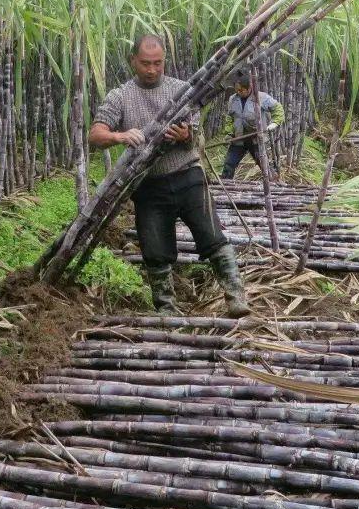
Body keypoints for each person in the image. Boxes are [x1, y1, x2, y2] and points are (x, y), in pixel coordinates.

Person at [89, 34, 251, 318]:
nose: (151, 70)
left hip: (188, 176)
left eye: (158, 63)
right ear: (132, 62)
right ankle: (167, 309)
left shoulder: (182, 91)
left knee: (212, 236)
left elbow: (197, 135)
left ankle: (236, 296)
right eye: (145, 63)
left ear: (165, 61)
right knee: (155, 250)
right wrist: (119, 135)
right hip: (148, 185)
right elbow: (95, 134)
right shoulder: (121, 96)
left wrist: (186, 135)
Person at [220, 73, 284, 180]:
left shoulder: (261, 97)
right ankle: (225, 187)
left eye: (241, 90)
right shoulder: (233, 99)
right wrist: (229, 133)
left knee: (265, 167)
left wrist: (274, 123)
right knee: (229, 165)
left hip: (256, 139)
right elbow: (230, 118)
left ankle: (273, 186)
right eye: (237, 90)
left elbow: (278, 109)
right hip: (239, 138)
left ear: (249, 88)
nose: (238, 92)